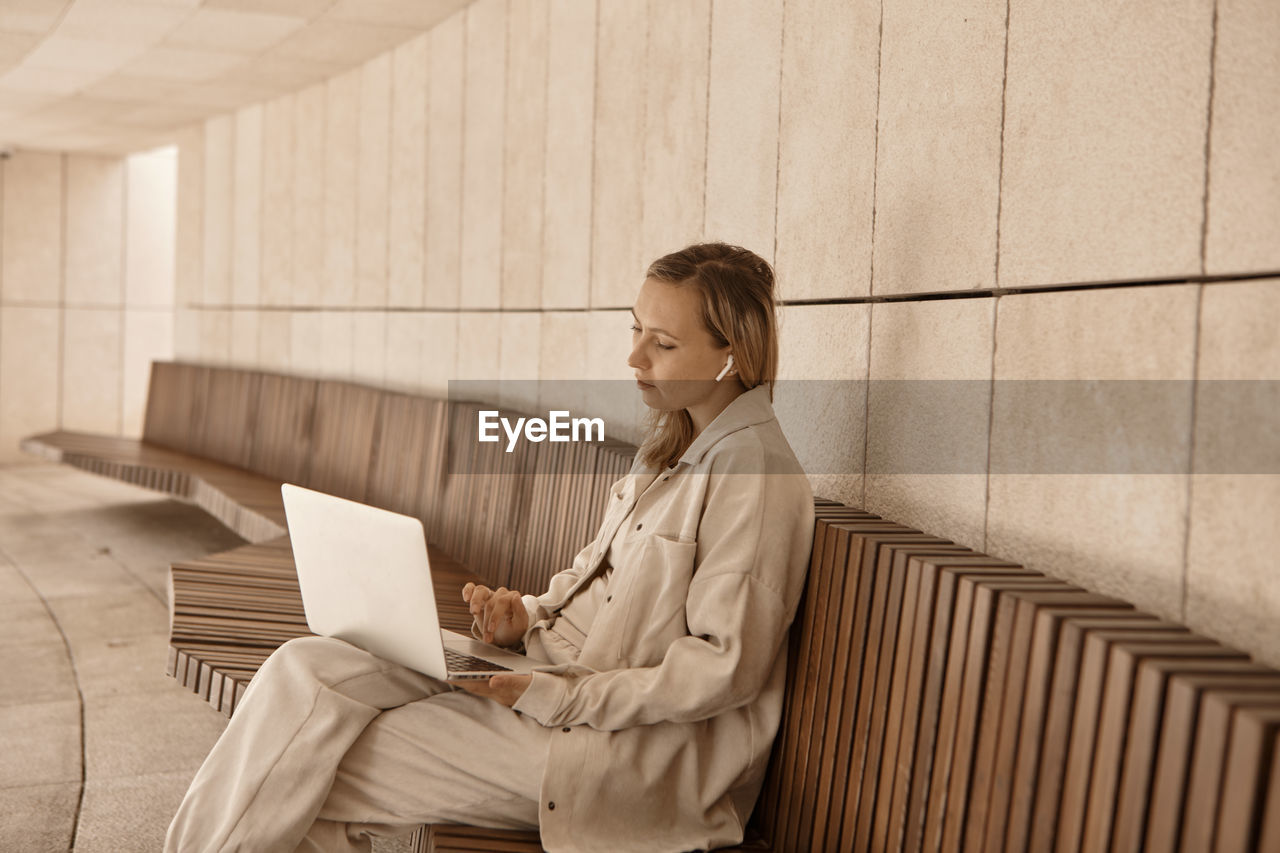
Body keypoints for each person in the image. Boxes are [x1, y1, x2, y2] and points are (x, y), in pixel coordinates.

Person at [164, 242, 815, 853]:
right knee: (302, 667)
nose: (635, 358)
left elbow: (723, 669)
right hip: (547, 683)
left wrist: (549, 694)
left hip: (614, 747)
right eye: (635, 329)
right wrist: (526, 617)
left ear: (730, 356)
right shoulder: (672, 446)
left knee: (306, 764)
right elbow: (596, 577)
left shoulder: (754, 476)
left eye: (664, 343)